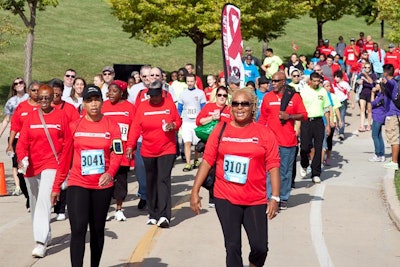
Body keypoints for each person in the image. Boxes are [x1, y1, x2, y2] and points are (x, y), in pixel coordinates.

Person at [190, 87, 281, 267]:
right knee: (232, 247)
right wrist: (195, 191)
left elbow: (273, 165)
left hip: (255, 198)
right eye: (236, 104)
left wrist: (275, 197)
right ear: (231, 107)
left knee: (260, 247)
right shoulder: (220, 130)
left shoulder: (264, 133)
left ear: (252, 107)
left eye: (244, 104)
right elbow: (207, 161)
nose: (240, 107)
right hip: (226, 197)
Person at [51, 85, 123, 266]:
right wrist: (56, 187)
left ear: (102, 102)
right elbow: (65, 158)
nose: (93, 104)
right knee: (78, 229)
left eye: (97, 100)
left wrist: (110, 172)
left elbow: (117, 153)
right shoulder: (74, 126)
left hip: (102, 185)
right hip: (78, 183)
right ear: (83, 103)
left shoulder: (111, 126)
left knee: (98, 230)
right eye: (89, 100)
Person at [16, 84, 70, 258]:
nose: (45, 101)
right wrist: (22, 157)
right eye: (41, 98)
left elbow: (68, 142)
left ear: (53, 97)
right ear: (36, 98)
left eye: (48, 97)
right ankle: (45, 233)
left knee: (44, 201)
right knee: (34, 202)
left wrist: (66, 165)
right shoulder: (31, 117)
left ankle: (40, 242)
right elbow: (22, 141)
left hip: (52, 164)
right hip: (32, 166)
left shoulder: (61, 116)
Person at [127, 80, 182, 227]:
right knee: (150, 181)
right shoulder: (143, 106)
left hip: (166, 149)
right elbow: (135, 128)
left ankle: (164, 215)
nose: (154, 98)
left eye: (157, 96)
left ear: (162, 94)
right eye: (152, 96)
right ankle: (153, 214)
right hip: (148, 150)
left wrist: (173, 125)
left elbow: (178, 120)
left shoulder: (169, 104)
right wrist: (130, 146)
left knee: (163, 180)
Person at [258, 72, 307, 210]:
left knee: (285, 172)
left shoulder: (294, 97)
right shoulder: (268, 97)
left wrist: (289, 116)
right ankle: (271, 197)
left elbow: (304, 115)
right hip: (271, 141)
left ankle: (283, 197)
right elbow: (263, 118)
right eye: (271, 81)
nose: (273, 83)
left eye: (276, 81)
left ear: (283, 82)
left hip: (288, 141)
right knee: (270, 170)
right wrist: (258, 134)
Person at [102, 80, 135, 221]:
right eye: (109, 90)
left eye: (114, 91)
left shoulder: (130, 107)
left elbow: (134, 128)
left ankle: (119, 208)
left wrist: (130, 146)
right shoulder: (103, 106)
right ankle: (103, 209)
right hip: (105, 149)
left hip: (122, 149)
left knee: (120, 179)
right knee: (104, 179)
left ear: (122, 92)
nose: (110, 94)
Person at [48, 78, 80, 221]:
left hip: (65, 150)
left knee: (63, 180)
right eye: (52, 93)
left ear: (62, 92)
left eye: (58, 93)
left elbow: (76, 126)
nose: (55, 96)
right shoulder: (44, 108)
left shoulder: (69, 108)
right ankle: (49, 206)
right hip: (48, 151)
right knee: (49, 181)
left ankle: (61, 208)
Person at [6, 81, 40, 211]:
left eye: (38, 90)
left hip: (38, 146)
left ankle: (37, 200)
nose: (36, 93)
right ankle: (29, 197)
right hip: (22, 145)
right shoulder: (22, 107)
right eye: (34, 90)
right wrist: (10, 144)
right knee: (21, 173)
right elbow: (14, 127)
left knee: (37, 174)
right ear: (29, 92)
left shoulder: (43, 107)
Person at [299, 72, 331, 183]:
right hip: (306, 121)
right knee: (304, 147)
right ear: (310, 81)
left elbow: (326, 108)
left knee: (318, 148)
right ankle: (304, 164)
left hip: (318, 121)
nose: (317, 83)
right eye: (315, 81)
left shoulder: (323, 91)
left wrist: (328, 124)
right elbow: (299, 107)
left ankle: (316, 173)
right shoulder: (304, 91)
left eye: (318, 81)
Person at [0, 78, 29, 196]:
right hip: (15, 136)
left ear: (24, 84)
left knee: (28, 161)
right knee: (15, 162)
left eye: (21, 82)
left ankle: (28, 184)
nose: (19, 85)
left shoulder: (30, 97)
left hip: (29, 136)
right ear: (13, 87)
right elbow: (6, 120)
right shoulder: (11, 102)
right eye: (16, 83)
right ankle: (18, 186)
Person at [178, 74, 206, 171]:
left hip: (196, 122)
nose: (190, 83)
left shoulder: (200, 93)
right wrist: (178, 120)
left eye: (191, 81)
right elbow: (179, 109)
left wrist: (203, 120)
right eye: (188, 81)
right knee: (187, 142)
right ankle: (188, 163)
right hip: (186, 122)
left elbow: (203, 108)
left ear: (195, 82)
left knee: (196, 143)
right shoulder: (182, 94)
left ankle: (196, 159)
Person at [382, 64, 400, 170]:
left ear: (385, 73)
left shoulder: (392, 82)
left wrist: (386, 82)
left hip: (392, 114)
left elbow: (389, 83)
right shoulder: (396, 82)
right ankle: (394, 160)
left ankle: (394, 162)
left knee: (394, 138)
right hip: (394, 113)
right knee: (394, 138)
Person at [321, 80, 343, 166]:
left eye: (329, 86)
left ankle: (328, 157)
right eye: (326, 86)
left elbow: (337, 109)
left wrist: (339, 120)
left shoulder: (333, 97)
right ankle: (320, 159)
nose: (329, 88)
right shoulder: (321, 96)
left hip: (332, 121)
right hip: (322, 121)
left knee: (329, 140)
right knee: (322, 141)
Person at [332, 70, 354, 140]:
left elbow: (350, 93)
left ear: (340, 77)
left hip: (343, 102)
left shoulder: (345, 84)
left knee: (342, 117)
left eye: (337, 77)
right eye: (335, 77)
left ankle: (341, 133)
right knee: (335, 117)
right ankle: (336, 129)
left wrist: (352, 102)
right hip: (335, 103)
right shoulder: (333, 84)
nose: (336, 78)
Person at [356, 62, 377, 132]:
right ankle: (362, 125)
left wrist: (365, 77)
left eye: (368, 67)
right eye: (366, 67)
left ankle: (368, 125)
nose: (367, 69)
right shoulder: (361, 74)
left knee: (369, 110)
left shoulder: (373, 75)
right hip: (363, 93)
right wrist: (359, 81)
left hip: (370, 93)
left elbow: (371, 82)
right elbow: (358, 81)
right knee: (362, 109)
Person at [369, 82, 386, 162]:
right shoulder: (380, 95)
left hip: (378, 117)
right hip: (379, 116)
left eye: (377, 84)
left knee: (375, 135)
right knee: (379, 136)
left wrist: (372, 93)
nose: (375, 85)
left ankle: (378, 154)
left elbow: (372, 103)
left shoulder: (381, 96)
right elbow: (371, 83)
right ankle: (382, 154)